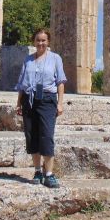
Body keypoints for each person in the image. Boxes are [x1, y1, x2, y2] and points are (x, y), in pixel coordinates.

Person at [15, 28, 66, 188]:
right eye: (38, 40)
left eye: (43, 40)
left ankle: (49, 174)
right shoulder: (28, 60)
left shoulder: (55, 58)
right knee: (32, 136)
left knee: (47, 135)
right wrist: (18, 102)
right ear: (34, 42)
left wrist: (60, 102)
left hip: (47, 99)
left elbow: (60, 81)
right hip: (29, 100)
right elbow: (22, 83)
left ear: (48, 41)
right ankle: (37, 170)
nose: (41, 43)